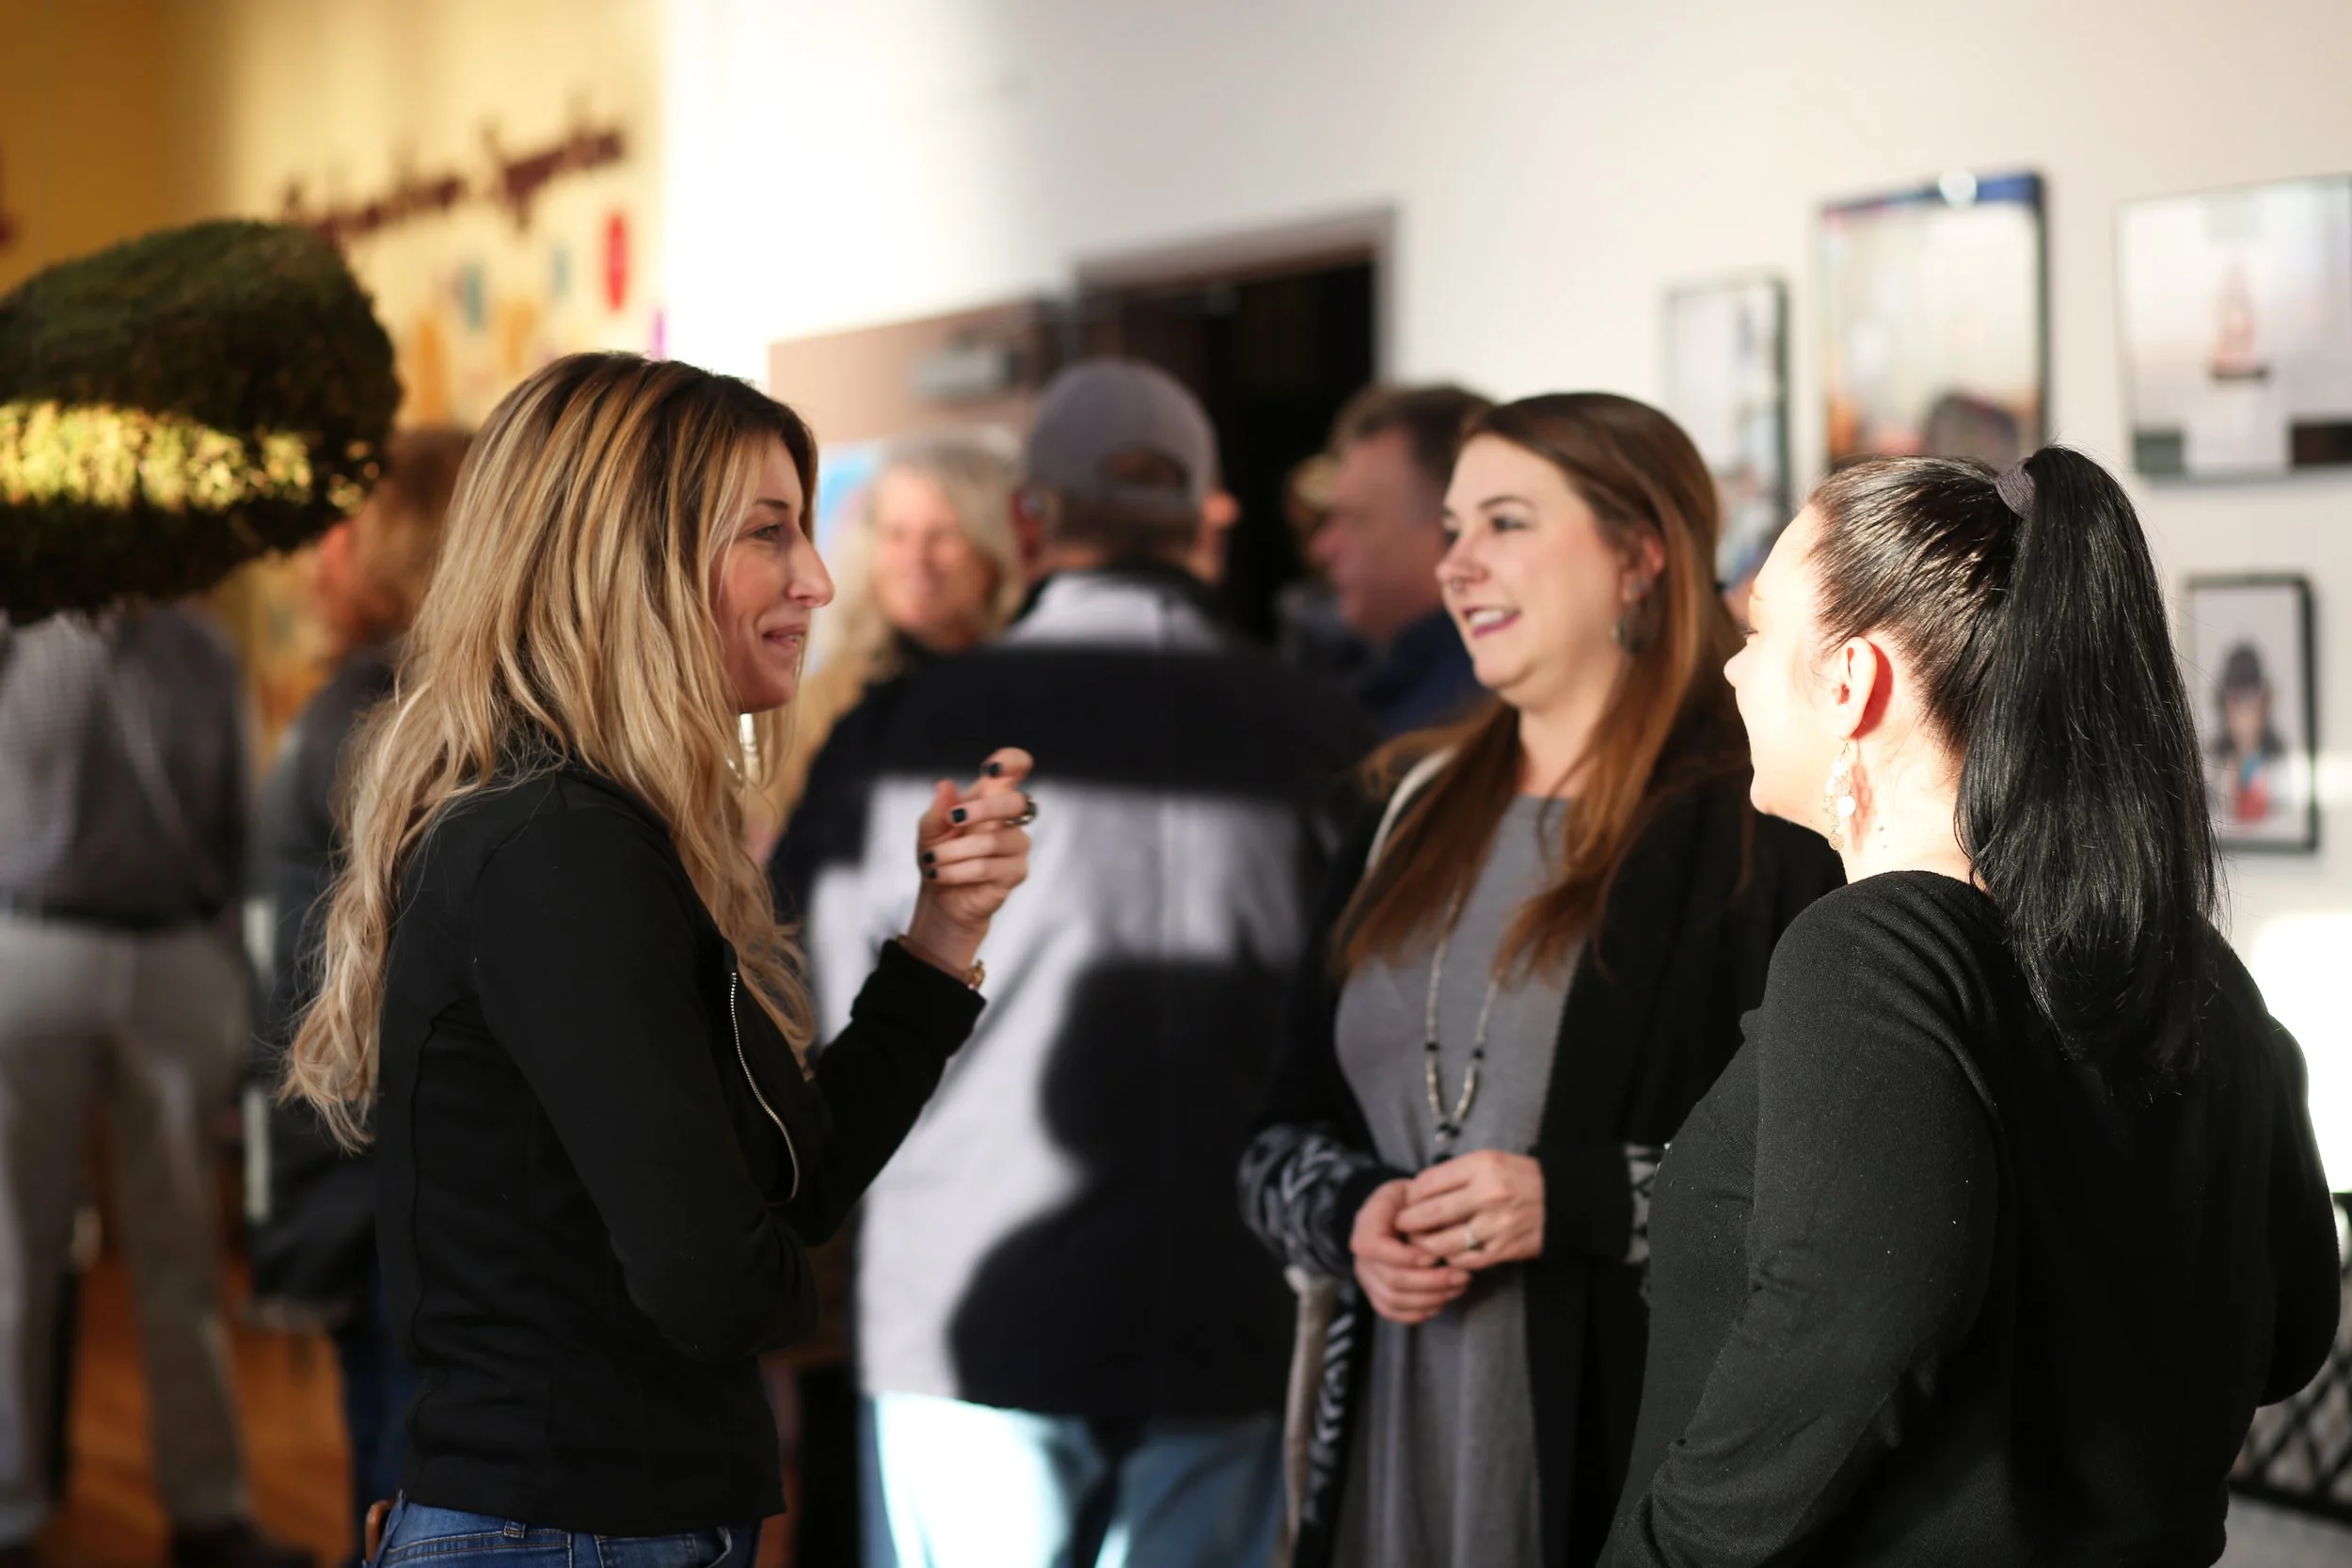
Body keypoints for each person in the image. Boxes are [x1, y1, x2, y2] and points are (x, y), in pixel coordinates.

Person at [284, 352, 1035, 1567]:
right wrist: (825, 1279)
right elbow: (716, 1280)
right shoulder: (559, 848)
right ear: (632, 556)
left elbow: (796, 1184)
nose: (818, 578)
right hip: (565, 1528)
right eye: (768, 532)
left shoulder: (596, 830)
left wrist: (940, 939)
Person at [1607, 449, 2343, 1565]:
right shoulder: (2193, 970)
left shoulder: (1876, 953)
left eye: (1756, 630)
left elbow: (1851, 1321)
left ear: (1852, 681)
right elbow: (2290, 1331)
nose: (1732, 669)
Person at [779, 357, 1377, 1568]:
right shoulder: (1327, 736)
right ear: (1205, 517)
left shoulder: (905, 731)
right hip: (1229, 1305)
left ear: (1028, 519)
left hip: (972, 1304)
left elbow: (800, 999)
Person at [1242, 393, 1843, 1568]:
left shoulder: (1758, 826)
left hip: (1626, 1456)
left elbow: (1828, 1191)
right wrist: (1351, 1213)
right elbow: (1272, 1140)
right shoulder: (1400, 808)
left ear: (1637, 555)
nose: (1455, 561)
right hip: (1385, 1452)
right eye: (1452, 527)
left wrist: (1574, 1200)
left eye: (1505, 522)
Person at [0, 605, 310, 1568]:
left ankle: (210, 1508)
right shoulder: (18, 632)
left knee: (182, 1250)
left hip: (169, 952)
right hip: (29, 941)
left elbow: (240, 822)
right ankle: (10, 1510)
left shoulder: (202, 647)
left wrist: (232, 971)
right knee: (12, 1251)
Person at [246, 426, 469, 1567]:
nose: (317, 552)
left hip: (365, 1177)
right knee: (412, 1494)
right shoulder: (389, 718)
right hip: (389, 1180)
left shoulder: (373, 708)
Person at [752, 432, 1025, 847]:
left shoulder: (1036, 683)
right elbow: (760, 854)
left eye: (944, 534)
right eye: (896, 534)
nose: (916, 560)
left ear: (996, 547)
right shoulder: (826, 701)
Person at [1311, 384, 1493, 735]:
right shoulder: (1387, 687)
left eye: (1352, 519)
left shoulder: (1467, 723)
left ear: (1452, 529)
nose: (1323, 547)